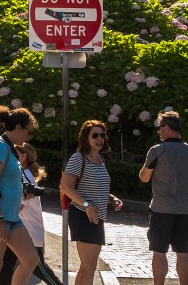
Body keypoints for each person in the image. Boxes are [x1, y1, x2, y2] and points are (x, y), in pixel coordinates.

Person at [0, 105, 41, 285]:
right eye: (29, 132)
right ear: (18, 128)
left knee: (31, 259)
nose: (29, 137)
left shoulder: (10, 148)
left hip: (11, 216)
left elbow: (7, 182)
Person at [60, 120, 124, 285]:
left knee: (87, 267)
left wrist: (111, 198)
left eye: (102, 135)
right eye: (94, 135)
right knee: (89, 266)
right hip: (83, 215)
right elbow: (65, 186)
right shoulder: (78, 158)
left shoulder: (100, 160)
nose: (99, 139)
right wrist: (87, 205)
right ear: (85, 138)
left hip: (96, 216)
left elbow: (97, 187)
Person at [139, 111, 188, 285]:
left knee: (159, 251)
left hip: (161, 208)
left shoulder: (158, 150)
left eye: (159, 128)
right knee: (183, 252)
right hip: (185, 208)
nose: (158, 131)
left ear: (166, 128)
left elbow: (144, 177)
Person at [0, 143, 62, 285]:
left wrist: (0, 219)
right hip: (20, 230)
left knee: (38, 266)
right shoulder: (22, 174)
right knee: (5, 264)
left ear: (24, 156)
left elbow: (18, 206)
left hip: (29, 231)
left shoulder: (25, 177)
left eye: (15, 153)